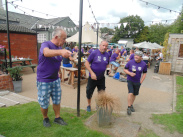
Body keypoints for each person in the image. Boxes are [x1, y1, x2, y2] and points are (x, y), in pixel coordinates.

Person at [37, 28, 71, 127]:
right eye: (64, 39)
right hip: (44, 79)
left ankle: (57, 118)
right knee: (44, 102)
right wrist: (61, 52)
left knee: (56, 100)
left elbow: (57, 62)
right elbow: (46, 53)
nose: (65, 41)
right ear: (56, 37)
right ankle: (45, 118)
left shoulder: (59, 47)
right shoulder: (45, 44)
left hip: (55, 79)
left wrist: (59, 72)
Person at [85, 41, 110, 112]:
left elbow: (107, 64)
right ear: (100, 45)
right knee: (89, 92)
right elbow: (86, 63)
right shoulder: (94, 53)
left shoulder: (107, 54)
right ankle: (88, 105)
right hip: (92, 77)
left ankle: (98, 105)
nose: (104, 47)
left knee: (101, 93)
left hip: (101, 78)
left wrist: (108, 69)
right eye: (103, 45)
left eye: (106, 46)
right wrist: (92, 73)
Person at [123, 51, 147, 115]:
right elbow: (125, 69)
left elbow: (144, 73)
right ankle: (128, 107)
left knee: (134, 94)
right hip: (130, 80)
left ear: (141, 57)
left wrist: (141, 82)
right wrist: (130, 73)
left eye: (137, 55)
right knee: (130, 93)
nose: (136, 56)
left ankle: (131, 105)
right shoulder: (130, 62)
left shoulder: (144, 64)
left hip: (137, 81)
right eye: (135, 55)